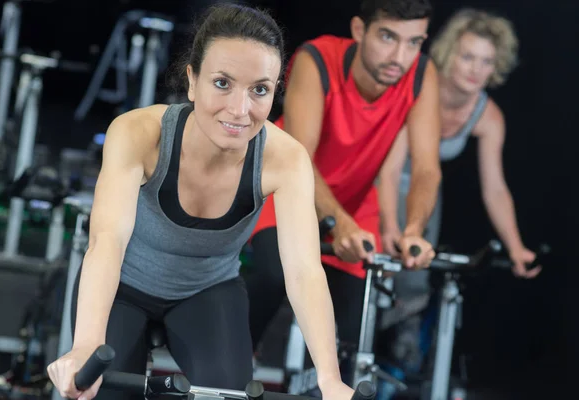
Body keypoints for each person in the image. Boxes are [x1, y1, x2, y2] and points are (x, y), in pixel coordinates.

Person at [46, 4, 354, 400]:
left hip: (207, 291)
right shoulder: (138, 133)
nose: (239, 110)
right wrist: (85, 345)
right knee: (100, 392)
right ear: (192, 81)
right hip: (122, 286)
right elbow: (107, 242)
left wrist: (330, 378)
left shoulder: (286, 159)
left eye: (259, 89)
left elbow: (303, 271)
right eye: (222, 83)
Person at [245, 0, 442, 366]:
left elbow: (427, 170)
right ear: (358, 30)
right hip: (285, 190)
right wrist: (341, 224)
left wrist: (414, 229)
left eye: (414, 42)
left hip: (353, 204)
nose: (400, 55)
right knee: (275, 275)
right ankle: (229, 371)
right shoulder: (316, 58)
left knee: (354, 333)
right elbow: (300, 160)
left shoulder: (422, 74)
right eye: (388, 37)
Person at [377, 8, 541, 371]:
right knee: (373, 276)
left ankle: (393, 368)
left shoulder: (488, 114)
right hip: (376, 184)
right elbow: (388, 172)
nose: (475, 69)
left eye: (486, 61)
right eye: (467, 56)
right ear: (450, 51)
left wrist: (515, 247)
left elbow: (495, 188)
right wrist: (390, 226)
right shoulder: (420, 88)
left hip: (424, 194)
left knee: (415, 286)